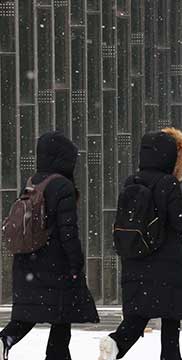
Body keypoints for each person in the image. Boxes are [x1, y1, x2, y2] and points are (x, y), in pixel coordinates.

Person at [0, 131, 99, 359]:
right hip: (55, 264)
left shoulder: (32, 183)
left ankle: (6, 338)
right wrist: (76, 263)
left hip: (28, 261)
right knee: (61, 317)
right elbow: (68, 232)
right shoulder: (62, 186)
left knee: (30, 313)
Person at [99, 128, 182, 360]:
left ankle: (115, 342)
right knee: (170, 317)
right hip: (166, 262)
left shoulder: (131, 181)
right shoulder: (168, 183)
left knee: (138, 314)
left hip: (135, 258)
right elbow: (180, 221)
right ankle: (170, 356)